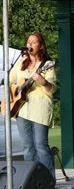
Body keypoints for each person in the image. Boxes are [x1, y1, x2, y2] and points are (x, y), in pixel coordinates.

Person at [9, 32, 56, 180]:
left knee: (41, 146)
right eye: (28, 41)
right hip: (22, 109)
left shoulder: (47, 64)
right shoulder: (20, 62)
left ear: (40, 46)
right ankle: (31, 180)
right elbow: (10, 81)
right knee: (27, 147)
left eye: (33, 42)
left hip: (40, 109)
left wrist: (42, 81)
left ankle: (48, 180)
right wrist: (14, 92)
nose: (29, 44)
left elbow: (52, 88)